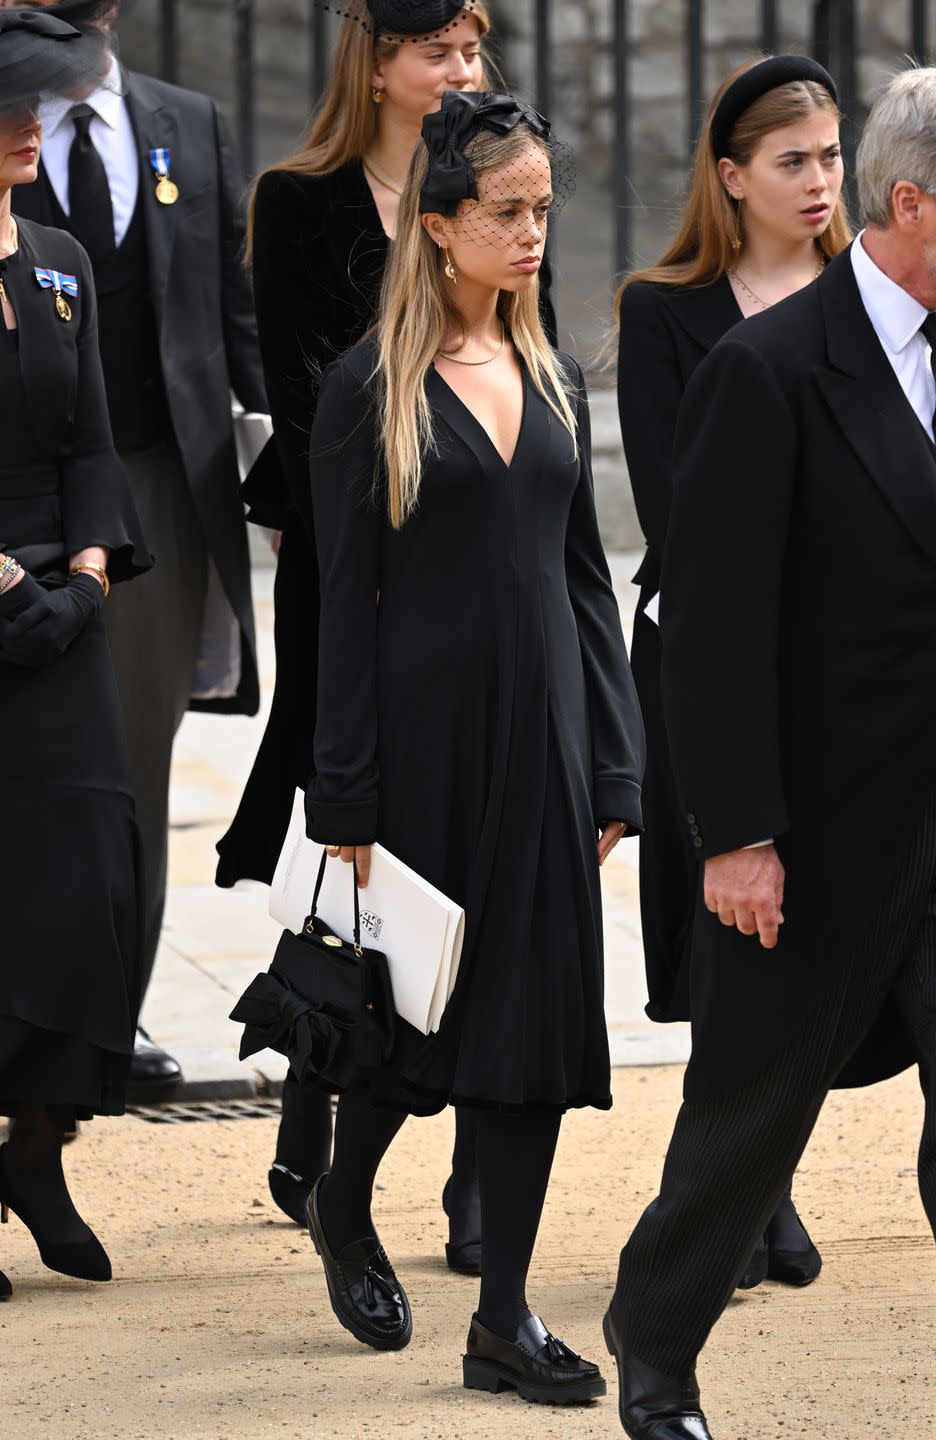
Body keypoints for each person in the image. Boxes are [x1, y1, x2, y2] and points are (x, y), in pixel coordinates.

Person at [604, 61, 936, 1439]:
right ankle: (659, 1338)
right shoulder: (767, 370)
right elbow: (713, 626)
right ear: (915, 201)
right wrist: (733, 831)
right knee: (749, 1117)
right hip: (817, 830)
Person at [300, 87, 643, 1405]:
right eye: (507, 212)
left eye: (544, 209)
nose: (533, 232)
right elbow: (340, 614)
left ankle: (502, 1318)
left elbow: (583, 587)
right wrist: (349, 798)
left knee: (533, 1029)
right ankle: (345, 1189)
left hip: (547, 751)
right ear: (439, 227)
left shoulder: (544, 365)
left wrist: (613, 762)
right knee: (408, 1032)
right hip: (424, 755)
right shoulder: (363, 393)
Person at [216, 0, 555, 1267]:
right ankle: (319, 1113)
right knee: (354, 860)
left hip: (473, 555)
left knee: (475, 874)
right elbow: (302, 407)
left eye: (471, 48)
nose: (461, 68)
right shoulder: (302, 200)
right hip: (351, 561)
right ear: (378, 64)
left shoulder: (509, 202)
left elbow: (536, 368)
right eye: (438, 51)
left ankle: (473, 1179)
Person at [616, 53, 851, 1291]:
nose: (820, 183)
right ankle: (747, 1184)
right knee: (731, 923)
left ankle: (765, 1168)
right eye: (792, 162)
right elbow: (674, 508)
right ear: (731, 177)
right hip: (714, 653)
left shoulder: (874, 298)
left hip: (854, 667)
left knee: (823, 919)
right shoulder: (668, 310)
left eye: (831, 157)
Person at [8, 0, 268, 1099]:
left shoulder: (188, 121)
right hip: (22, 474)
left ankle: (112, 1023)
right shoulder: (12, 112)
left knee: (128, 768)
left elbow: (231, 311)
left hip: (153, 488)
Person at [0, 7, 151, 1301]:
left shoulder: (56, 260)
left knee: (94, 885)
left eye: (32, 113)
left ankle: (37, 1149)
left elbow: (93, 441)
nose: (22, 132)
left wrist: (89, 573)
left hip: (64, 616)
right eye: (8, 110)